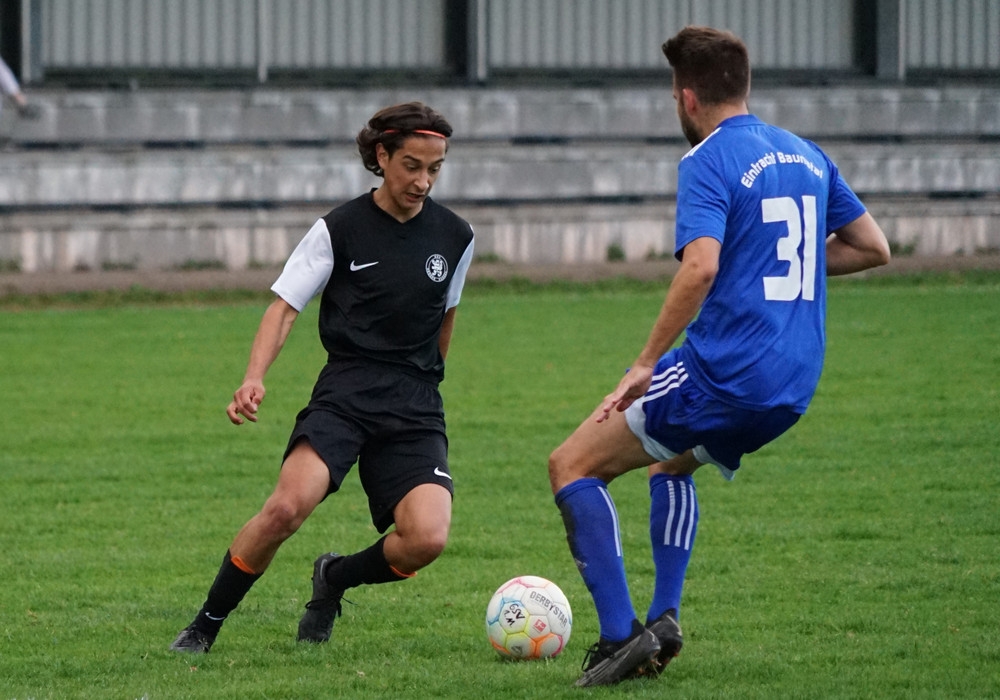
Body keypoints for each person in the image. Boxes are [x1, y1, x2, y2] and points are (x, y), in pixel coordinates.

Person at [548, 26, 891, 687]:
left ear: (686, 97)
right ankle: (664, 618)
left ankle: (620, 637)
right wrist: (771, 267)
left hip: (726, 371)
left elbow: (700, 267)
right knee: (671, 464)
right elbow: (873, 247)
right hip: (793, 384)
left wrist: (645, 361)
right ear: (744, 85)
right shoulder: (807, 154)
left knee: (570, 465)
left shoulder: (707, 158)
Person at [170, 101, 475, 653]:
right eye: (412, 166)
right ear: (382, 156)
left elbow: (445, 314)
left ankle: (333, 578)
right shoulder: (339, 229)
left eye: (435, 168)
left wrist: (429, 381)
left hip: (413, 403)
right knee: (286, 508)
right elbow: (285, 307)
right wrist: (254, 376)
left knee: (426, 539)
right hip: (347, 392)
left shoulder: (456, 235)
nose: (423, 181)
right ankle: (204, 626)